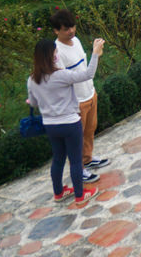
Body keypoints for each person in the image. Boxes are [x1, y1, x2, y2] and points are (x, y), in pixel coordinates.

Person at [27, 37, 104, 205]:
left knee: (58, 159)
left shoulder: (32, 80)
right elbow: (88, 74)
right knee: (76, 161)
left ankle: (59, 192)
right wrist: (96, 54)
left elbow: (33, 103)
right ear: (51, 56)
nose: (57, 54)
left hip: (50, 126)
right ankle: (79, 195)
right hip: (70, 123)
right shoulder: (61, 75)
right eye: (55, 52)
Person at [50, 9, 110, 183]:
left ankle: (87, 159)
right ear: (56, 31)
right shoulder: (56, 53)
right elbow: (66, 79)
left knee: (90, 130)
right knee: (76, 138)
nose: (71, 31)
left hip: (89, 93)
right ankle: (79, 170)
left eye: (72, 27)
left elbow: (84, 66)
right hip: (75, 101)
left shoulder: (75, 41)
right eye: (65, 29)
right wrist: (95, 54)